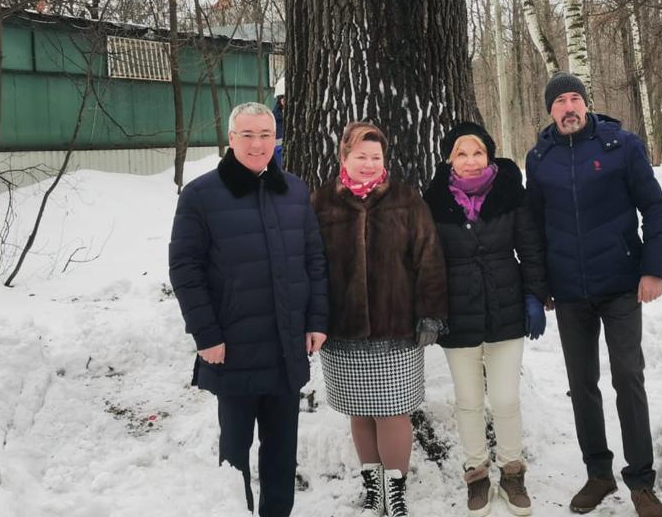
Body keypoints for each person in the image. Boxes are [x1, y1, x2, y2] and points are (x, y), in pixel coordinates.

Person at [168, 101, 329, 517]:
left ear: (276, 139)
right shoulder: (201, 195)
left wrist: (316, 320)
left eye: (265, 135)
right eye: (248, 135)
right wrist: (207, 335)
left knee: (281, 453)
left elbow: (314, 260)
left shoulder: (294, 190)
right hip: (233, 348)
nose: (257, 144)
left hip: (286, 347)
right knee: (234, 453)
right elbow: (185, 270)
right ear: (230, 139)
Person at [525, 73, 662, 517]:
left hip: (621, 282)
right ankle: (598, 473)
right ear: (549, 110)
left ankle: (641, 482)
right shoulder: (540, 158)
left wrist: (652, 268)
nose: (569, 108)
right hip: (570, 291)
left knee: (628, 376)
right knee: (581, 383)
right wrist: (542, 286)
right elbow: (534, 225)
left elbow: (655, 206)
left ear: (586, 104)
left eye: (575, 99)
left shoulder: (620, 146)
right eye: (560, 102)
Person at [311, 121, 447, 517]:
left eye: (376, 157)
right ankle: (373, 489)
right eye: (361, 157)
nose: (369, 164)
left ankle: (395, 491)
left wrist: (430, 314)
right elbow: (310, 264)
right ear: (344, 158)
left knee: (393, 410)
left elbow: (430, 259)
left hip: (397, 326)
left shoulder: (407, 201)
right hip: (343, 328)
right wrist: (313, 318)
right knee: (360, 409)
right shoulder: (321, 203)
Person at [423, 122, 548, 517]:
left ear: (489, 155)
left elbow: (529, 247)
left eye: (478, 152)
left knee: (506, 398)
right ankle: (476, 474)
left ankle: (512, 472)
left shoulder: (511, 192)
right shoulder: (434, 199)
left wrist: (533, 296)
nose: (471, 161)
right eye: (462, 153)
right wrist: (431, 311)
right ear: (449, 159)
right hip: (457, 313)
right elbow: (427, 262)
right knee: (469, 401)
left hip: (505, 307)